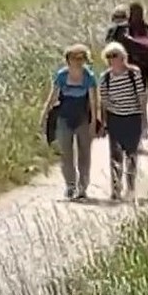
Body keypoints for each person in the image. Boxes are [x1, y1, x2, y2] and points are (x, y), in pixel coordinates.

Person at [41, 44, 100, 200]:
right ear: (68, 60)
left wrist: (94, 122)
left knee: (84, 154)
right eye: (75, 58)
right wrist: (44, 115)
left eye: (81, 58)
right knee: (66, 154)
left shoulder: (89, 76)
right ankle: (70, 185)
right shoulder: (61, 75)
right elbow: (53, 97)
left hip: (83, 119)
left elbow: (94, 102)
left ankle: (83, 187)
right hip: (64, 118)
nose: (78, 61)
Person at [99, 42, 147, 201]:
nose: (112, 59)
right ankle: (116, 188)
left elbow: (141, 96)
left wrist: (144, 119)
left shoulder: (134, 73)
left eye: (115, 55)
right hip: (115, 119)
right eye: (109, 56)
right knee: (115, 155)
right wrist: (104, 124)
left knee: (131, 154)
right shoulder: (105, 78)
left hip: (133, 118)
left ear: (122, 56)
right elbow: (104, 102)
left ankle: (131, 187)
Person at [122, 2, 148, 137]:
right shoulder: (124, 30)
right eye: (134, 12)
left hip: (143, 68)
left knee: (141, 97)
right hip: (127, 69)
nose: (136, 15)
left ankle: (143, 126)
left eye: (138, 12)